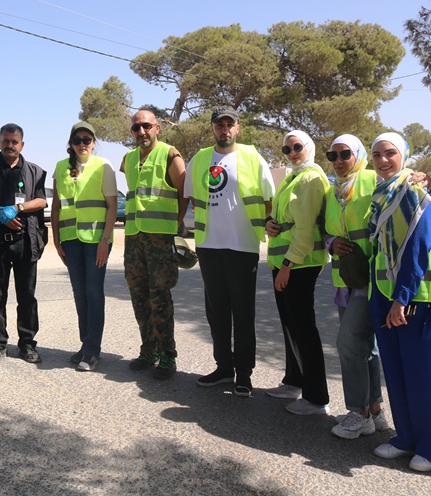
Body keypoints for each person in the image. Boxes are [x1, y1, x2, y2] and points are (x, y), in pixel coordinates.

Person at [368, 132, 431, 472]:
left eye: (391, 153)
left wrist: (401, 298)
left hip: (417, 300)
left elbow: (419, 247)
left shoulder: (416, 192)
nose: (384, 160)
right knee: (397, 373)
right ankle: (405, 438)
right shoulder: (381, 194)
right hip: (384, 297)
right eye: (377, 155)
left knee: (422, 376)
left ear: (404, 155)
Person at [184, 106, 274, 396]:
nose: (224, 129)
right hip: (209, 245)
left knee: (243, 312)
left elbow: (268, 198)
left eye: (229, 124)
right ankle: (224, 367)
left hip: (243, 245)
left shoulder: (251, 156)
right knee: (217, 311)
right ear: (212, 128)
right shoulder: (199, 159)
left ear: (238, 128)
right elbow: (194, 199)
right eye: (219, 124)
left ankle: (244, 374)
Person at [322, 135, 388, 438]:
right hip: (345, 280)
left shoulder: (372, 178)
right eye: (332, 155)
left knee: (348, 344)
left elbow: (399, 182)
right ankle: (374, 408)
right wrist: (331, 242)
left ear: (358, 154)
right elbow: (325, 229)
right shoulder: (333, 190)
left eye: (345, 154)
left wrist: (420, 177)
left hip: (371, 280)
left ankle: (358, 411)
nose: (338, 161)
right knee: (365, 348)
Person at [263, 130, 331, 414]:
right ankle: (294, 383)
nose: (292, 153)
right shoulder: (294, 176)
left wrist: (287, 266)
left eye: (298, 147)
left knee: (303, 327)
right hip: (286, 263)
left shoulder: (311, 178)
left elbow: (304, 230)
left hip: (299, 264)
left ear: (309, 148)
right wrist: (271, 224)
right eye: (287, 149)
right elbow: (285, 218)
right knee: (290, 324)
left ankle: (317, 398)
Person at [0, 123, 47, 364]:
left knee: (27, 296)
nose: (10, 145)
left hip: (26, 242)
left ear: (22, 144)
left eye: (14, 142)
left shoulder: (35, 171)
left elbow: (42, 201)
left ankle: (27, 344)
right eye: (5, 141)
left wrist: (16, 208)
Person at [120, 109, 187, 380]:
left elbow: (185, 193)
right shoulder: (129, 159)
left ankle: (167, 355)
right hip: (135, 238)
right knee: (139, 296)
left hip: (160, 239)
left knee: (159, 298)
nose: (141, 132)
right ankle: (148, 350)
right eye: (136, 128)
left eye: (146, 126)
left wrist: (176, 224)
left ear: (157, 128)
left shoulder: (170, 155)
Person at [51, 121, 117, 371]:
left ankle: (92, 350)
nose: (82, 144)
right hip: (70, 240)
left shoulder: (104, 166)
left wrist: (105, 240)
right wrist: (56, 241)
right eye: (77, 140)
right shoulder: (60, 168)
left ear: (94, 142)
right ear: (71, 143)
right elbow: (56, 206)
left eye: (87, 140)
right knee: (79, 293)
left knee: (93, 292)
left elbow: (112, 206)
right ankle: (85, 344)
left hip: (95, 241)